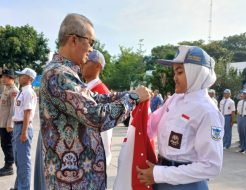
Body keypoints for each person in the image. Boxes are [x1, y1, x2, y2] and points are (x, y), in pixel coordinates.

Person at [38, 13, 151, 190]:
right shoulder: (58, 74)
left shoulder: (65, 72)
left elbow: (94, 99)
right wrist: (133, 98)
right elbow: (95, 116)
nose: (91, 49)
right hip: (72, 181)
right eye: (90, 42)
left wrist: (129, 94)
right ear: (74, 40)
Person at [136, 45, 224, 190]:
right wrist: (136, 105)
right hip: (160, 177)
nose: (174, 77)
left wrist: (160, 174)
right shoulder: (174, 99)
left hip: (187, 184)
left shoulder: (207, 111)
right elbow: (150, 126)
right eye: (174, 72)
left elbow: (211, 166)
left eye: (180, 72)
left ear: (196, 73)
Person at [81, 49, 113, 166]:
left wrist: (101, 162)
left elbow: (105, 132)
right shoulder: (84, 89)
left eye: (87, 61)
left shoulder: (102, 93)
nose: (82, 63)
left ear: (98, 66)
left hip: (94, 160)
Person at [11, 68, 37, 190]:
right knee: (18, 160)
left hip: (23, 126)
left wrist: (24, 132)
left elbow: (27, 113)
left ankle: (24, 188)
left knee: (23, 162)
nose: (19, 77)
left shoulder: (28, 92)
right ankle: (18, 187)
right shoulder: (23, 91)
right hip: (18, 126)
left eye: (22, 75)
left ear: (29, 78)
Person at [0, 69, 18, 177]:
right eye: (2, 77)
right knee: (4, 144)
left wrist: (10, 124)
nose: (3, 78)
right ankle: (7, 165)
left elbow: (13, 109)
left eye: (5, 77)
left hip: (7, 124)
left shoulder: (14, 91)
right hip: (2, 122)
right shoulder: (6, 89)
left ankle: (9, 166)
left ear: (11, 78)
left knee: (7, 145)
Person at [236, 89, 246, 153]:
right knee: (240, 133)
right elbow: (238, 110)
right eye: (243, 93)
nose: (244, 94)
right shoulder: (240, 102)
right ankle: (242, 147)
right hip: (240, 117)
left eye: (245, 93)